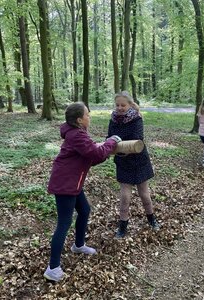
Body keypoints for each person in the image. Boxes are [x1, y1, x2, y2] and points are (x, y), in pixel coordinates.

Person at [44, 102, 120, 282]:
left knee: (84, 210)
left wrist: (107, 152)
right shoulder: (77, 135)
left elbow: (91, 157)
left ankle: (78, 245)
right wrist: (111, 142)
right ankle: (52, 267)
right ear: (79, 120)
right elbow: (95, 153)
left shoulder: (77, 134)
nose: (90, 116)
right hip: (66, 184)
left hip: (72, 182)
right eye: (87, 114)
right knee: (64, 223)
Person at [107, 91, 159, 239]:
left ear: (130, 105)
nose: (120, 108)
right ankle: (122, 226)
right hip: (123, 161)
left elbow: (137, 139)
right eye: (117, 105)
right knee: (124, 196)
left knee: (144, 194)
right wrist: (114, 146)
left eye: (123, 105)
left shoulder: (136, 118)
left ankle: (152, 220)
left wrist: (118, 144)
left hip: (139, 160)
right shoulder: (113, 119)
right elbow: (109, 137)